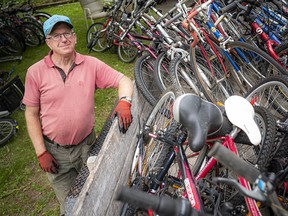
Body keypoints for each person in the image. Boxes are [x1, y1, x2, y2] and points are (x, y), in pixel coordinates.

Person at [23, 14, 133, 215]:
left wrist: (125, 101)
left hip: (87, 145)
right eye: (56, 36)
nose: (63, 39)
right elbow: (31, 114)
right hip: (56, 153)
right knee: (70, 207)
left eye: (67, 33)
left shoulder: (90, 64)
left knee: (96, 192)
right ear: (48, 42)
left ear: (74, 37)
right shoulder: (35, 72)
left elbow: (123, 79)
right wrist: (41, 152)